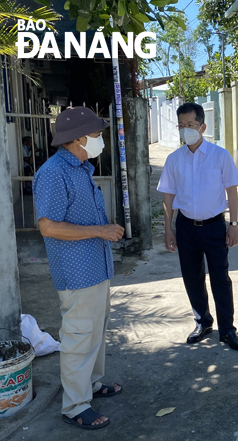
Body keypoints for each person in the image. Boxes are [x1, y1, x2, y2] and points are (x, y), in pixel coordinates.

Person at [33, 107, 124, 430]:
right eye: (97, 135)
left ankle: (91, 385)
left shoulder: (80, 166)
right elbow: (48, 227)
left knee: (95, 331)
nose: (101, 140)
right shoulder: (54, 172)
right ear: (79, 138)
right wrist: (101, 231)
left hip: (95, 268)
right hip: (77, 272)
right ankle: (74, 405)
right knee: (78, 337)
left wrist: (103, 230)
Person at [157, 103, 238, 350]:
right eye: (181, 126)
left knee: (220, 278)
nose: (186, 130)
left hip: (214, 227)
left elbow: (232, 190)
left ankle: (227, 330)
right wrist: (168, 229)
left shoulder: (220, 156)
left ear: (202, 126)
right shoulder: (174, 159)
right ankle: (203, 322)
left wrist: (234, 224)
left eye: (191, 125)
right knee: (192, 278)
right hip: (186, 227)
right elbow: (168, 197)